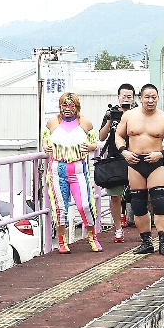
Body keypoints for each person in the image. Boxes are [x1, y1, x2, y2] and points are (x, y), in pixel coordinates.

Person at [115, 83, 164, 255]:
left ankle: (163, 241)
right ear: (140, 98)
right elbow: (119, 135)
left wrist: (161, 153)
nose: (150, 100)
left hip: (155, 162)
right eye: (147, 97)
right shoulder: (129, 116)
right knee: (138, 205)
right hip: (135, 162)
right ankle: (146, 241)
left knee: (160, 202)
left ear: (158, 98)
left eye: (154, 97)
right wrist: (124, 152)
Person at [42, 92, 102, 253]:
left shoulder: (85, 123)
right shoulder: (52, 122)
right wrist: (45, 146)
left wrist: (91, 147)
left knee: (85, 204)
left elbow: (94, 142)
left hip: (78, 168)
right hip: (57, 168)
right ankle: (62, 241)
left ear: (77, 106)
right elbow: (45, 138)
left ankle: (92, 236)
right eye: (64, 105)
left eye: (71, 105)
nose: (68, 109)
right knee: (60, 207)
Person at [97, 83, 137, 240]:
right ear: (118, 97)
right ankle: (118, 229)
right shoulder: (112, 112)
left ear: (134, 98)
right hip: (115, 159)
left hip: (136, 157)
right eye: (123, 96)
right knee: (115, 196)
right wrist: (109, 120)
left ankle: (142, 228)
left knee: (139, 194)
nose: (126, 99)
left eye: (129, 96)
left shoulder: (139, 113)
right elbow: (101, 137)